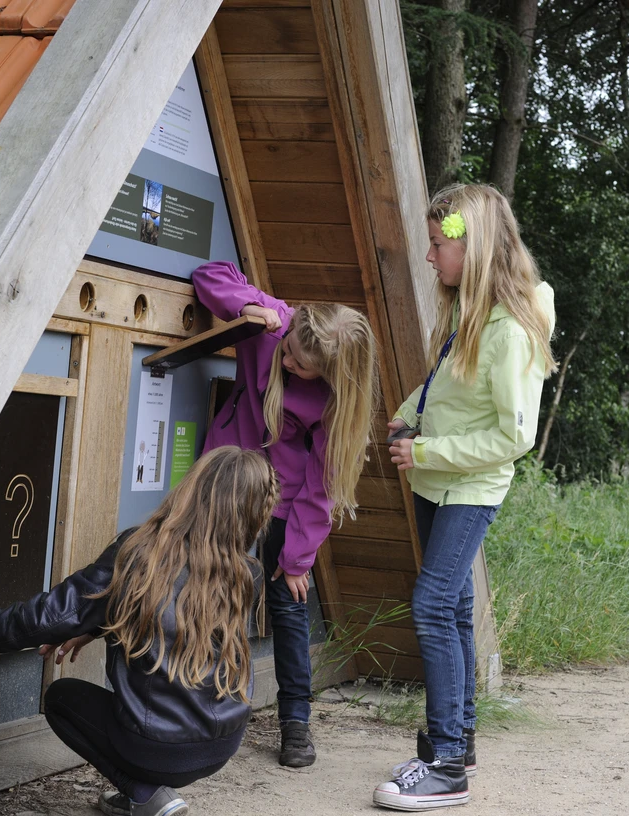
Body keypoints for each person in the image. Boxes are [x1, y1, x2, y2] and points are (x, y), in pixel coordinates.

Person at [0, 446, 280, 816]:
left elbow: (46, 616)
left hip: (158, 748)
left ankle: (144, 792)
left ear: (194, 489)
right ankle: (147, 791)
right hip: (221, 745)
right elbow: (181, 621)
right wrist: (96, 625)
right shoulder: (246, 572)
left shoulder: (142, 552)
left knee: (60, 698)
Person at [374, 184, 556, 811]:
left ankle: (447, 765)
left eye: (437, 245)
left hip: (468, 484)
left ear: (473, 249)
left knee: (429, 606)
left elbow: (514, 436)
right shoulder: (468, 309)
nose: (429, 258)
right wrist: (406, 417)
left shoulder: (510, 332)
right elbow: (445, 386)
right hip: (436, 479)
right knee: (449, 608)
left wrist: (424, 453)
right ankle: (460, 737)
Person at [191, 260, 379, 768]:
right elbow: (211, 274)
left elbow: (321, 484)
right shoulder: (276, 325)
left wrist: (297, 557)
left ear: (332, 374)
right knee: (208, 584)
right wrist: (247, 310)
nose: (289, 363)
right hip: (227, 477)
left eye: (302, 366)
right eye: (291, 351)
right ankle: (199, 704)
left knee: (289, 604)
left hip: (285, 497)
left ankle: (295, 720)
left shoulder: (335, 401)